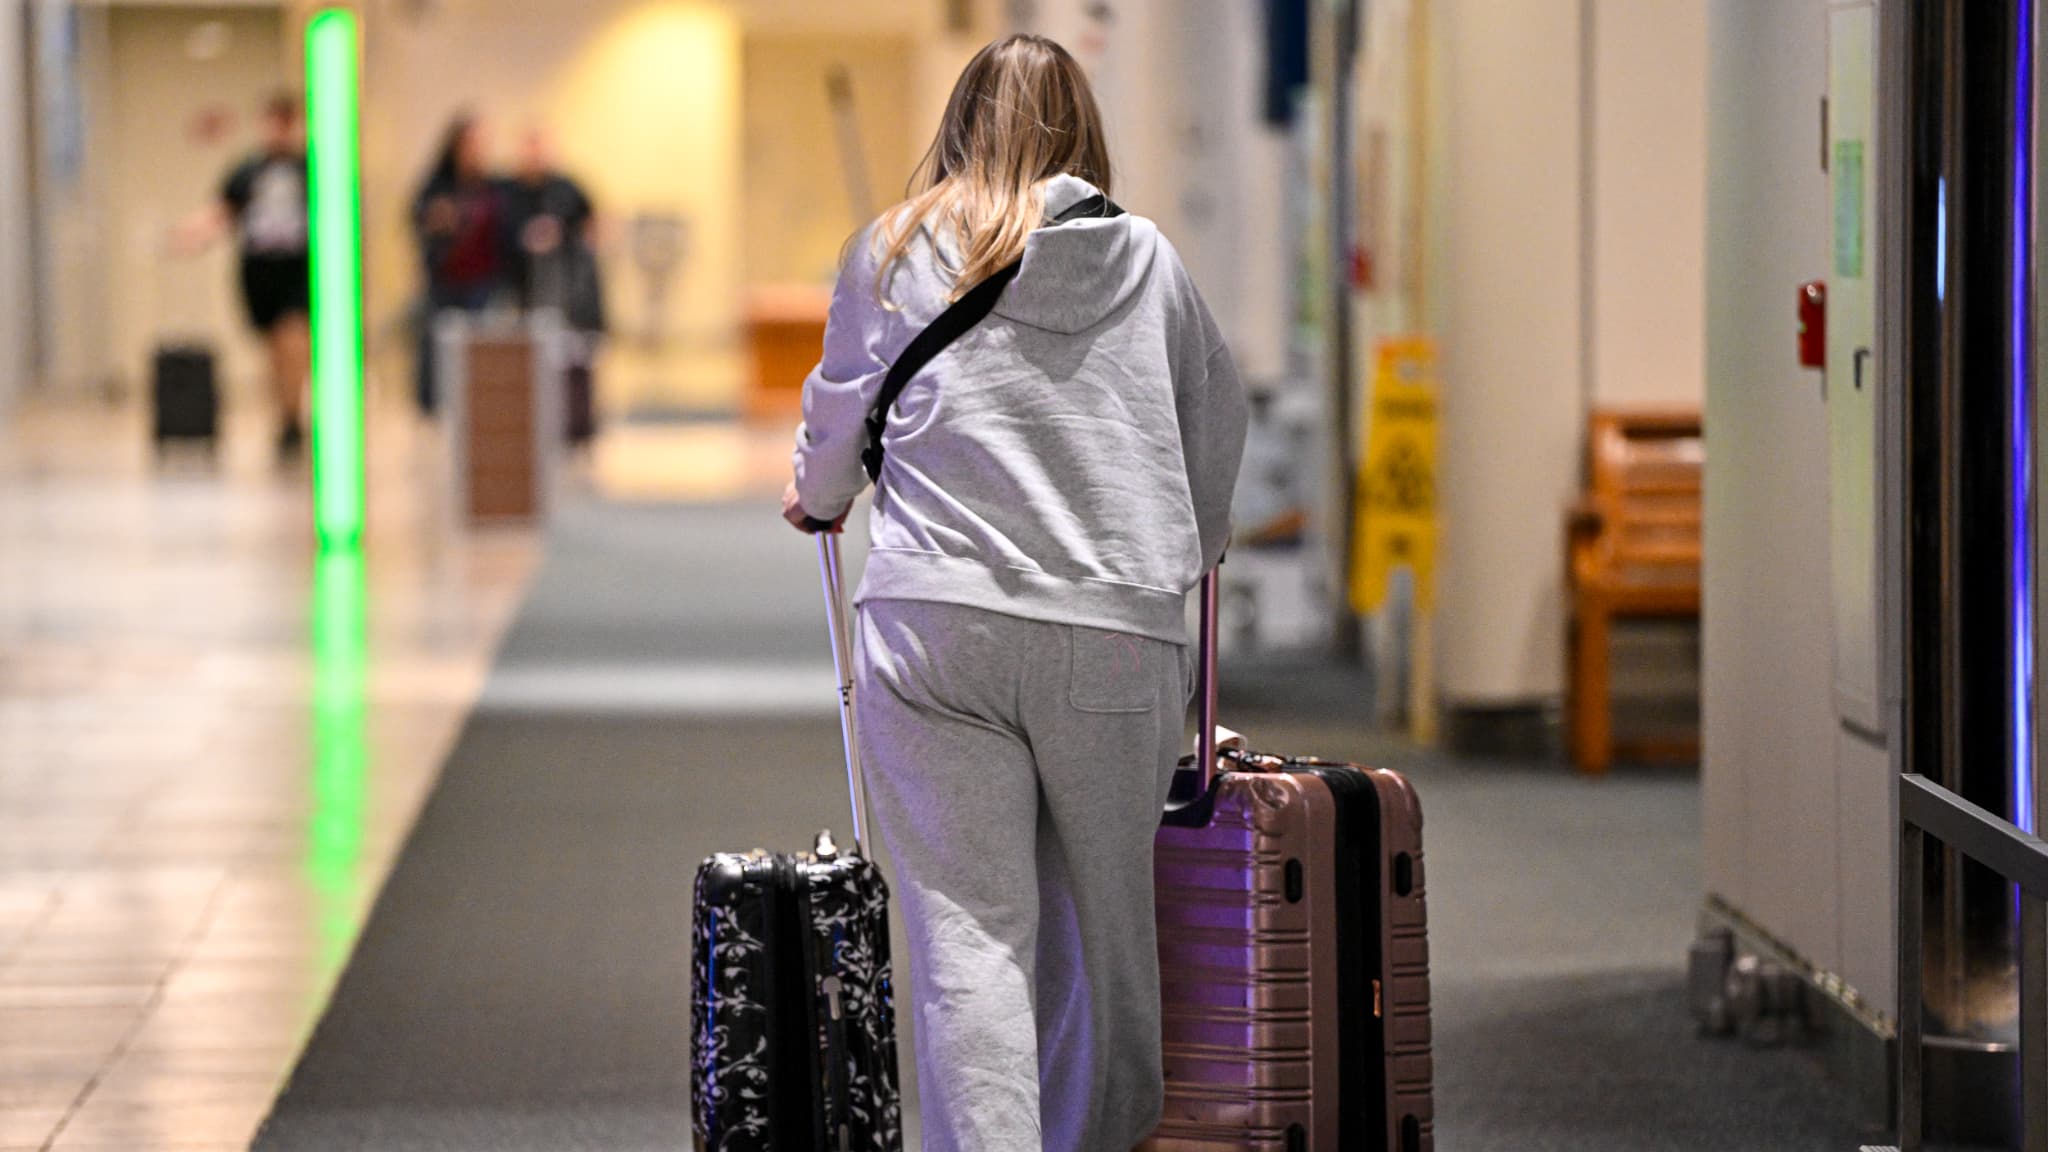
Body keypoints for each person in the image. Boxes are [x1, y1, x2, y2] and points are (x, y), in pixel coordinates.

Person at [781, 34, 1247, 1152]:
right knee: (1103, 935)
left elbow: (835, 428)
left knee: (970, 937)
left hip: (935, 627)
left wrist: (820, 495)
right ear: (1085, 133)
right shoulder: (1147, 261)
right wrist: (1181, 545)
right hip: (1113, 639)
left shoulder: (888, 252)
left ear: (954, 123)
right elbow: (1211, 432)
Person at [176, 92, 310, 459]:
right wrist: (191, 234)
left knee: (294, 338)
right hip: (259, 270)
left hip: (299, 268)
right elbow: (222, 210)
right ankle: (285, 416)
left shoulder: (311, 168)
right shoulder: (248, 170)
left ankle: (294, 417)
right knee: (272, 348)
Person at [411, 113, 508, 413]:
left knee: (482, 348)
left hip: (484, 281)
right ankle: (437, 405)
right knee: (440, 349)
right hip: (446, 280)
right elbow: (417, 218)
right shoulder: (436, 186)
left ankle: (479, 406)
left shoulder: (495, 187)